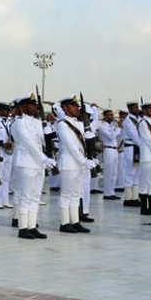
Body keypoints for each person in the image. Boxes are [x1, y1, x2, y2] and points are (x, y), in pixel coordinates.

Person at [10, 93, 54, 239]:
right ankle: (23, 227)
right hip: (26, 162)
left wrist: (49, 134)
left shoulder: (37, 122)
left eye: (35, 104)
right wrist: (44, 158)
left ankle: (32, 225)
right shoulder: (19, 123)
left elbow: (41, 142)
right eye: (31, 104)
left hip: (38, 164)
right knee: (25, 196)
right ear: (22, 107)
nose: (34, 107)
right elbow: (29, 144)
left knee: (35, 197)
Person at [54, 96, 96, 233]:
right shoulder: (62, 124)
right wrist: (83, 161)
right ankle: (64, 223)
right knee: (66, 194)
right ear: (65, 108)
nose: (77, 108)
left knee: (76, 193)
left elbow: (82, 144)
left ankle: (75, 220)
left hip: (79, 164)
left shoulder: (78, 124)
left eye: (77, 106)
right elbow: (71, 146)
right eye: (73, 106)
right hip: (69, 163)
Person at [99, 108, 121, 200]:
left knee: (114, 172)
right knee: (108, 172)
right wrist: (118, 128)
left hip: (115, 150)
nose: (112, 117)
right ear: (105, 116)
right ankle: (107, 193)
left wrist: (118, 129)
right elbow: (111, 136)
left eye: (112, 115)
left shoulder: (112, 125)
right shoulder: (103, 126)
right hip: (108, 149)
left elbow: (119, 136)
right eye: (109, 115)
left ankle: (112, 191)